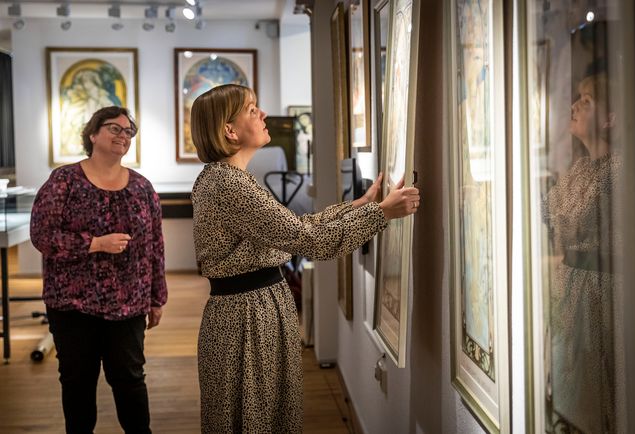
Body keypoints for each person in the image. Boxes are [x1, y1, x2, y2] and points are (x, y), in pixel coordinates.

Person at [190, 84, 420, 433]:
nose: (264, 114)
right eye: (253, 110)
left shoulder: (229, 179)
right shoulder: (228, 184)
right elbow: (309, 240)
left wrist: (360, 206)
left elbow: (294, 227)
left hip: (253, 310)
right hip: (246, 318)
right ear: (229, 130)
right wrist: (381, 215)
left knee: (264, 413)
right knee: (254, 418)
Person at [30, 106, 167, 434]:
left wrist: (157, 297)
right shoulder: (64, 181)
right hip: (73, 305)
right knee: (77, 382)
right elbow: (43, 235)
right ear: (92, 134)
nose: (123, 136)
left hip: (129, 304)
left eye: (128, 131)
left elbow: (155, 246)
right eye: (114, 128)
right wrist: (95, 244)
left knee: (130, 380)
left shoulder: (142, 188)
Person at [543, 72, 620, 433]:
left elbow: (570, 217)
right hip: (573, 289)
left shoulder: (616, 170)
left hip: (599, 294)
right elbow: (549, 209)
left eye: (585, 102)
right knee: (571, 386)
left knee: (596, 390)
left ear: (609, 119)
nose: (574, 106)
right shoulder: (579, 167)